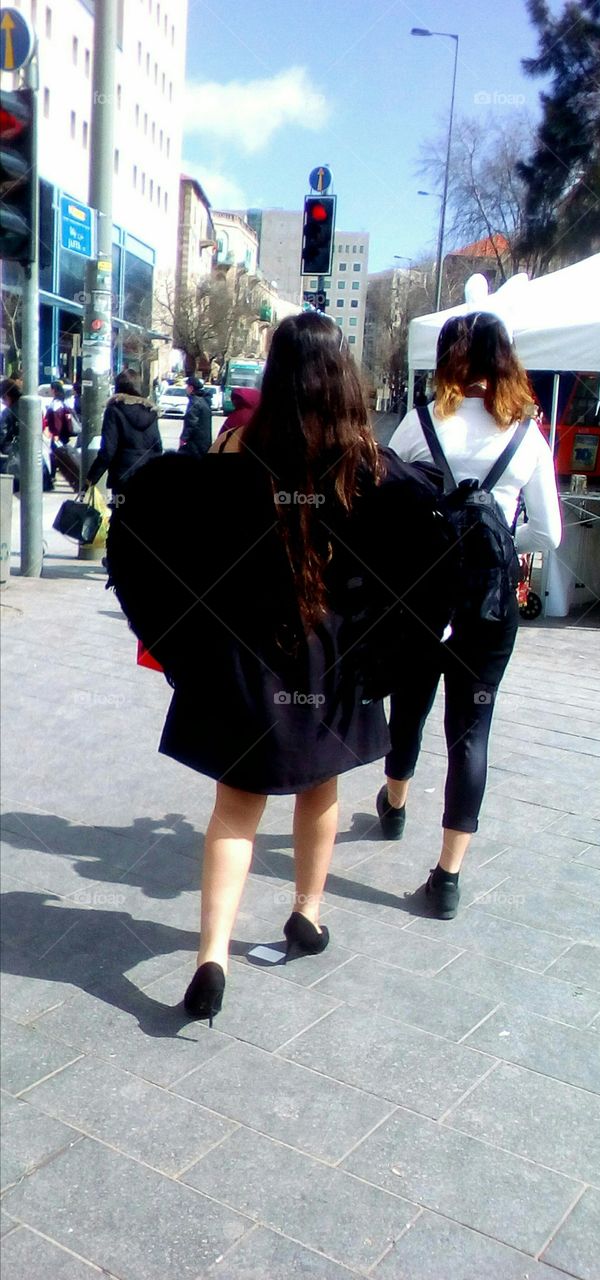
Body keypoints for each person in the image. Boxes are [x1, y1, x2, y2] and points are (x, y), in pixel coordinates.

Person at [107, 313, 450, 1026]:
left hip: (241, 657)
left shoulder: (236, 447)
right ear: (342, 374)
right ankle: (307, 913)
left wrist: (179, 637)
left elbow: (157, 511)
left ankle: (212, 957)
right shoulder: (365, 463)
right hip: (327, 659)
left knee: (235, 810)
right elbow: (429, 528)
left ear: (276, 373)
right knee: (319, 789)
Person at [377, 311, 561, 919]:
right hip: (489, 604)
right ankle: (448, 878)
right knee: (471, 732)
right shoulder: (527, 435)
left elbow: (384, 501)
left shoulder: (421, 422)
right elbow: (550, 534)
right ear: (507, 362)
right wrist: (499, 538)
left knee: (410, 706)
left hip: (420, 598)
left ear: (448, 361)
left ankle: (395, 803)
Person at [85, 369, 162, 499]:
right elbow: (158, 447)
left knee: (120, 509)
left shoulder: (114, 410)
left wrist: (91, 479)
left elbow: (108, 451)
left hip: (123, 478)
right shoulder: (150, 411)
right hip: (148, 477)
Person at [179, 375, 212, 456]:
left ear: (191, 388)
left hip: (195, 443)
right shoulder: (204, 400)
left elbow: (191, 423)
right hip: (205, 441)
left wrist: (183, 438)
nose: (186, 389)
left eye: (187, 386)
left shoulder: (194, 402)